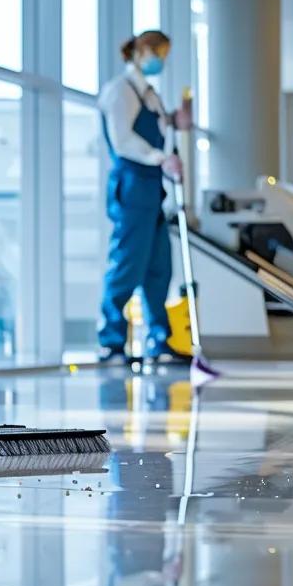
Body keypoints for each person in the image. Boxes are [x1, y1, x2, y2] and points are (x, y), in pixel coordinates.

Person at [97, 30, 192, 365]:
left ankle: (159, 340)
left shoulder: (149, 94)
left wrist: (176, 121)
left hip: (153, 188)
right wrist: (161, 159)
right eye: (159, 53)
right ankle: (111, 342)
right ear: (141, 52)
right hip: (132, 185)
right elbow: (123, 140)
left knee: (158, 267)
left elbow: (160, 129)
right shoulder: (120, 91)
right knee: (127, 264)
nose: (161, 61)